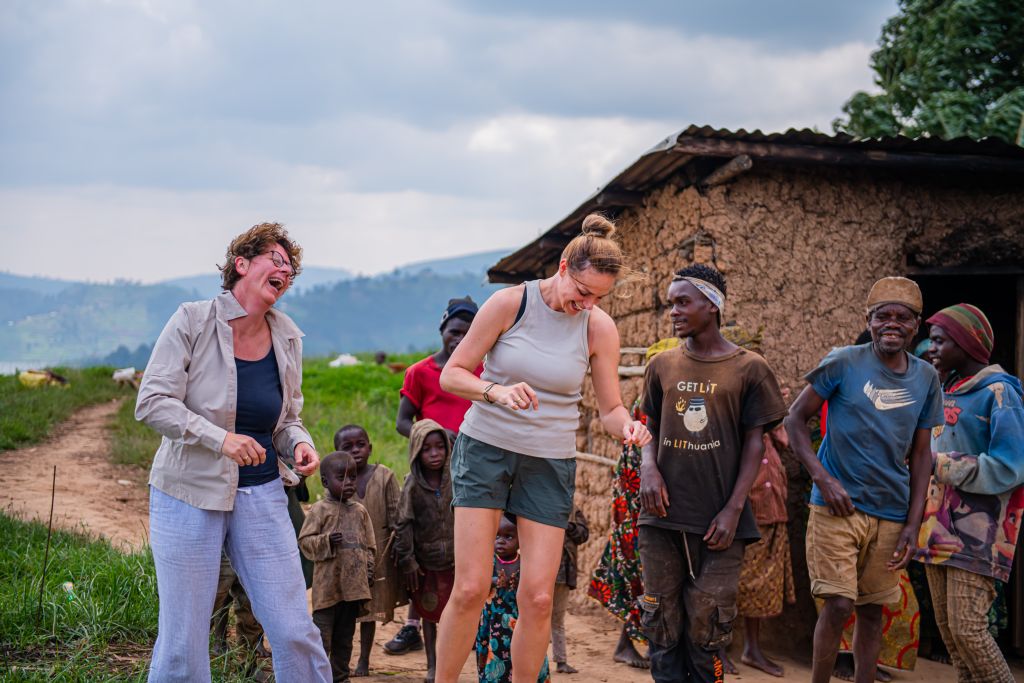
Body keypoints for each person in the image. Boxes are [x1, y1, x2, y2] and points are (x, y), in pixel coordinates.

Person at [433, 213, 651, 683]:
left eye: (598, 298)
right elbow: (453, 373)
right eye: (582, 291)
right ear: (563, 266)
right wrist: (497, 391)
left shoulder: (598, 327)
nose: (587, 304)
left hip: (549, 461)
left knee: (537, 597)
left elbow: (610, 408)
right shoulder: (510, 304)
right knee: (472, 587)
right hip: (486, 446)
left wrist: (629, 427)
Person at [136, 222, 330, 682]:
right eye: (275, 260)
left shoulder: (287, 337)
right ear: (241, 265)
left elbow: (285, 419)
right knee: (183, 642)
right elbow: (152, 402)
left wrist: (299, 443)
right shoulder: (193, 320)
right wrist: (218, 438)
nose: (284, 271)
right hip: (188, 494)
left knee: (293, 629)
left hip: (262, 494)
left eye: (290, 267)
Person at [785, 276, 943, 683]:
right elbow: (794, 420)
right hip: (837, 508)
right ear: (868, 321)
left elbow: (923, 454)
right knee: (838, 604)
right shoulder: (843, 361)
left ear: (916, 324)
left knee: (874, 611)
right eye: (882, 316)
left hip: (891, 512)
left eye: (902, 317)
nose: (892, 324)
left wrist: (913, 523)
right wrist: (823, 478)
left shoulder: (927, 379)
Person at [638, 264, 788, 683]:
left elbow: (755, 444)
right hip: (661, 517)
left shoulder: (749, 368)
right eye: (671, 303)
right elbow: (645, 425)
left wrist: (732, 510)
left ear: (712, 305)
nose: (674, 312)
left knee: (709, 629)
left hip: (721, 523)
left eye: (683, 302)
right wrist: (649, 467)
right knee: (662, 627)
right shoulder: (662, 365)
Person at [914, 303, 1024, 683]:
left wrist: (941, 464)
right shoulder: (948, 388)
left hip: (978, 533)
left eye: (940, 341)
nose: (932, 348)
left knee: (969, 632)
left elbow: (1012, 466)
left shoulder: (999, 394)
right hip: (937, 528)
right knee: (951, 636)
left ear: (965, 343)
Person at [390, 297, 481, 656]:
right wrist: (437, 436)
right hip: (430, 472)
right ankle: (414, 625)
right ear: (442, 331)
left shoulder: (483, 374)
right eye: (454, 332)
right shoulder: (421, 373)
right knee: (426, 543)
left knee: (461, 543)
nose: (460, 339)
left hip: (472, 471)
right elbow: (402, 421)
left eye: (468, 332)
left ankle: (465, 624)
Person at [723, 418, 796, 677]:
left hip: (771, 507)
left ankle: (752, 649)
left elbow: (786, 442)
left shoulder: (768, 425)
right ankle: (718, 648)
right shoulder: (734, 413)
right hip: (744, 512)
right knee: (730, 584)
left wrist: (774, 423)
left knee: (762, 586)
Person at [333, 424, 406, 675]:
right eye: (347, 447)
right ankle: (341, 661)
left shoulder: (384, 476)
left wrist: (398, 547)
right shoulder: (337, 483)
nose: (355, 450)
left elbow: (397, 516)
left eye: (360, 445)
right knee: (346, 611)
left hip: (379, 557)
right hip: (347, 558)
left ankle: (364, 659)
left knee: (370, 611)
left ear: (370, 447)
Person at [299, 451, 377, 682]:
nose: (349, 482)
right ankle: (318, 677)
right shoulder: (320, 510)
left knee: (345, 638)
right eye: (341, 478)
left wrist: (369, 570)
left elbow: (370, 546)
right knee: (323, 639)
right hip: (327, 591)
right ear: (325, 481)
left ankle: (341, 677)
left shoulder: (360, 512)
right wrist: (325, 541)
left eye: (352, 477)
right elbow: (304, 542)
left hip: (352, 590)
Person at [394, 419, 456, 683]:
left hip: (456, 561)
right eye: (427, 448)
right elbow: (403, 523)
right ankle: (433, 666)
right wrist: (408, 561)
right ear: (416, 451)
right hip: (426, 564)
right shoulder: (412, 485)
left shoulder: (456, 478)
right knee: (429, 615)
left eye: (439, 447)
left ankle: (448, 666)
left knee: (455, 616)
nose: (434, 454)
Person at [476, 515, 551, 683]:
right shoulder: (487, 562)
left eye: (508, 537)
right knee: (495, 667)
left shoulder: (525, 564)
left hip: (520, 625)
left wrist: (518, 581)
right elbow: (478, 585)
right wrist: (495, 582)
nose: (501, 541)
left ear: (520, 540)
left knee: (526, 662)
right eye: (497, 536)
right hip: (493, 627)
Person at [550, 505, 589, 674]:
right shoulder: (538, 503)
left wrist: (568, 525)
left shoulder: (574, 511)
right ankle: (533, 661)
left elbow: (583, 535)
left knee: (557, 619)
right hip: (542, 571)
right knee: (535, 618)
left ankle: (561, 661)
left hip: (564, 574)